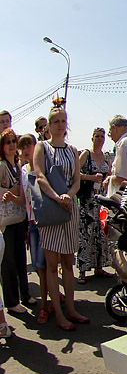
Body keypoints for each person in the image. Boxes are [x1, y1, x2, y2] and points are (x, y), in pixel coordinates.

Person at [33, 106, 90, 331]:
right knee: (51, 263)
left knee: (68, 262)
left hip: (69, 208)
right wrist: (57, 197)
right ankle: (58, 313)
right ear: (49, 124)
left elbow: (76, 179)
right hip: (51, 208)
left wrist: (69, 195)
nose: (59, 124)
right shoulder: (42, 147)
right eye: (55, 120)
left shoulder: (72, 149)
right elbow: (39, 175)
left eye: (63, 120)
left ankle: (71, 309)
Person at [19, 133, 54, 324]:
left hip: (45, 222)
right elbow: (23, 198)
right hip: (32, 224)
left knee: (46, 266)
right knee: (39, 267)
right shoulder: (23, 170)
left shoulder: (43, 168)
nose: (26, 150)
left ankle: (46, 305)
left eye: (29, 145)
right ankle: (47, 301)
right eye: (22, 147)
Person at [0, 129, 34, 314]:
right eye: (8, 142)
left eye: (14, 141)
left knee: (21, 259)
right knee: (8, 262)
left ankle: (25, 294)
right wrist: (10, 193)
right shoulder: (2, 166)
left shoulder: (18, 165)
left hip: (20, 217)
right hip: (6, 220)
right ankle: (11, 302)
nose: (12, 144)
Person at [76, 128, 113, 284]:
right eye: (97, 136)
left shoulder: (105, 157)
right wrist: (91, 177)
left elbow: (110, 174)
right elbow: (75, 173)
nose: (99, 139)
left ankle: (99, 267)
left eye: (102, 136)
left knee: (101, 235)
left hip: (101, 202)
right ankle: (82, 271)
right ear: (92, 138)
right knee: (86, 235)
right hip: (87, 201)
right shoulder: (86, 154)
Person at [106, 115, 127, 199]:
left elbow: (122, 177)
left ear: (114, 128)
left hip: (123, 196)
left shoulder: (124, 143)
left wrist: (109, 180)